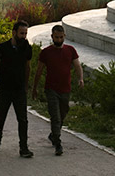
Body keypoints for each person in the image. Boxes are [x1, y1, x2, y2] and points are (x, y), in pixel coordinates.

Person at [32, 25, 83, 156]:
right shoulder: (46, 52)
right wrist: (34, 87)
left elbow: (77, 65)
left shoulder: (70, 50)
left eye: (61, 37)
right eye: (56, 37)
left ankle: (53, 135)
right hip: (51, 89)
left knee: (63, 113)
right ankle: (58, 143)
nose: (59, 40)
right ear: (52, 37)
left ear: (64, 36)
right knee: (55, 116)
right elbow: (39, 70)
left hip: (65, 89)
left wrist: (80, 79)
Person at [0, 20, 34, 158]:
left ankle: (24, 147)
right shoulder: (2, 48)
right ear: (14, 32)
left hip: (19, 90)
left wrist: (26, 86)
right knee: (1, 117)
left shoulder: (27, 48)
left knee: (23, 119)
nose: (23, 36)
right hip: (4, 89)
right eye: (21, 33)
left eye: (25, 33)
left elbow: (27, 68)